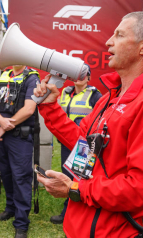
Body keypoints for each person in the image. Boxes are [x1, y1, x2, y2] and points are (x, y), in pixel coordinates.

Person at [34, 12, 143, 237]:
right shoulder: (110, 96)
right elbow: (83, 145)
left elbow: (142, 189)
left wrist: (75, 189)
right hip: (80, 226)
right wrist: (51, 108)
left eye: (119, 35)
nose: (108, 41)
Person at [0, 64, 40, 238]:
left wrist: (4, 126)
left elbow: (29, 109)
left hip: (20, 137)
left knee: (21, 178)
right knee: (6, 174)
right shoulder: (4, 76)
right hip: (4, 134)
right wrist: (1, 121)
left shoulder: (31, 77)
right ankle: (10, 208)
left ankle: (22, 222)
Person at [49, 73, 102, 225]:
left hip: (83, 146)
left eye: (84, 75)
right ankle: (70, 212)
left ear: (89, 78)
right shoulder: (65, 93)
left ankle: (73, 214)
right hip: (67, 143)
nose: (80, 77)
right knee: (68, 175)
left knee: (78, 178)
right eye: (77, 74)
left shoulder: (95, 95)